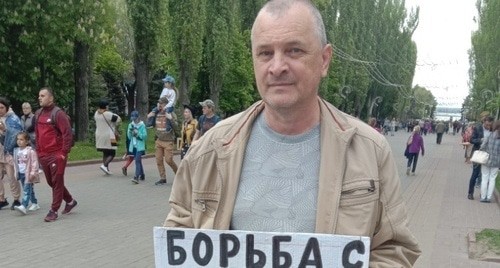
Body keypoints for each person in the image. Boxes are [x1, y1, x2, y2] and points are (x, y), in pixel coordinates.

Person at [163, 1, 420, 266]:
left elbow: (394, 250)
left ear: (324, 59)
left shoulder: (370, 151)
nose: (277, 67)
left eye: (294, 50)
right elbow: (177, 241)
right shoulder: (209, 150)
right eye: (265, 53)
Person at [35, 87, 77, 222]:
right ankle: (70, 201)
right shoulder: (38, 113)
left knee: (57, 182)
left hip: (56, 154)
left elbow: (67, 134)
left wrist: (63, 153)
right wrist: (38, 151)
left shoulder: (58, 114)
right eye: (39, 96)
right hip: (43, 155)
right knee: (51, 182)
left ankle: (53, 210)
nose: (39, 98)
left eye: (43, 95)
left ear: (51, 98)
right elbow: (37, 134)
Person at [147, 97, 178, 185]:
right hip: (159, 140)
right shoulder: (156, 113)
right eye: (159, 103)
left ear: (166, 104)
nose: (160, 105)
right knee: (158, 160)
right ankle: (163, 178)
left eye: (162, 104)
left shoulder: (171, 113)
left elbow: (176, 127)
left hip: (168, 141)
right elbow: (150, 122)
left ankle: (178, 174)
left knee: (169, 160)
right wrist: (150, 116)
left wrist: (170, 118)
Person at [0, 97, 23, 210]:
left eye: (2, 107)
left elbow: (18, 134)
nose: (0, 110)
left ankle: (16, 199)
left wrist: (5, 130)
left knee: (11, 177)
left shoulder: (13, 119)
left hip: (8, 152)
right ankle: (1, 199)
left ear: (7, 108)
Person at [13, 132, 40, 214]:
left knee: (26, 190)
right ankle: (35, 203)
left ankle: (24, 206)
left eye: (21, 139)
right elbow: (15, 163)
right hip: (21, 174)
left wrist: (33, 173)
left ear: (27, 141)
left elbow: (35, 163)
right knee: (29, 190)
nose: (19, 141)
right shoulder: (16, 151)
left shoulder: (30, 151)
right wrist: (16, 173)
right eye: (18, 139)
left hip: (28, 174)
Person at [467, 115, 494, 200]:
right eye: (486, 125)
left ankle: (483, 194)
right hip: (479, 154)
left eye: (490, 125)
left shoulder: (493, 130)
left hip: (489, 155)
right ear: (484, 122)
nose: (488, 126)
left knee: (485, 176)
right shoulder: (478, 128)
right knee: (475, 173)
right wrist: (480, 140)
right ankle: (470, 193)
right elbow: (471, 140)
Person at [94, 99, 122, 175]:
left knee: (105, 152)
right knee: (113, 152)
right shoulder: (108, 114)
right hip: (109, 135)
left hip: (99, 134)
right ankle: (104, 165)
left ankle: (106, 169)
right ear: (106, 106)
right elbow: (118, 119)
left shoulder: (96, 113)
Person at [478, 120, 499, 202]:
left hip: (486, 159)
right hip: (497, 161)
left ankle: (483, 197)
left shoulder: (489, 135)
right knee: (492, 178)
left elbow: (482, 147)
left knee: (485, 178)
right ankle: (489, 197)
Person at [127, 111, 147, 184]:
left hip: (140, 146)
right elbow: (129, 137)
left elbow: (145, 136)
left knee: (137, 161)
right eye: (132, 118)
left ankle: (136, 177)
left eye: (135, 118)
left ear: (138, 117)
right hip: (133, 146)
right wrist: (130, 131)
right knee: (139, 161)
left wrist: (137, 133)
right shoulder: (130, 125)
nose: (134, 120)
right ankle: (142, 175)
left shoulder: (142, 125)